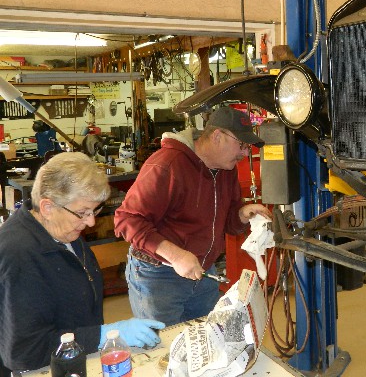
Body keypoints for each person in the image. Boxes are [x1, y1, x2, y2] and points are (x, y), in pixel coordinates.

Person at [0, 152, 165, 372]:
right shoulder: (19, 255)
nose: (91, 222)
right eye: (82, 212)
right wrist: (103, 335)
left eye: (94, 210)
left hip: (79, 358)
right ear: (48, 207)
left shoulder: (62, 231)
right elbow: (25, 352)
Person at [114, 106, 272, 326]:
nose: (245, 154)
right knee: (164, 351)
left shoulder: (227, 170)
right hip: (159, 275)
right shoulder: (167, 164)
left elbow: (228, 223)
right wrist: (176, 255)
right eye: (242, 145)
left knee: (207, 344)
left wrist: (242, 215)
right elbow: (127, 219)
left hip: (204, 273)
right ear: (217, 136)